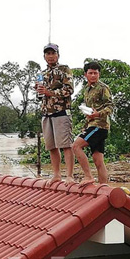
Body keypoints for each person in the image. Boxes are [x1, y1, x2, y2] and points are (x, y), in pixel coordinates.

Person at [36, 43, 75, 186]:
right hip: (46, 113)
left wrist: (49, 92)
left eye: (53, 53)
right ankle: (57, 175)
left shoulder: (64, 69)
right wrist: (39, 91)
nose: (50, 56)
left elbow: (69, 90)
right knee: (51, 146)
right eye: (48, 53)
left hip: (61, 111)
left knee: (66, 145)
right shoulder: (41, 73)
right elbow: (39, 96)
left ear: (58, 55)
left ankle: (69, 176)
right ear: (44, 56)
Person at [72, 61, 113, 186]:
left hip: (99, 126)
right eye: (91, 73)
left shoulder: (103, 88)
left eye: (96, 73)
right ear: (85, 74)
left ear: (99, 74)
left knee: (76, 146)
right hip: (91, 124)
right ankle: (103, 187)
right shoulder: (87, 90)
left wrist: (97, 114)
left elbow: (110, 106)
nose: (93, 75)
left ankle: (88, 176)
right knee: (98, 160)